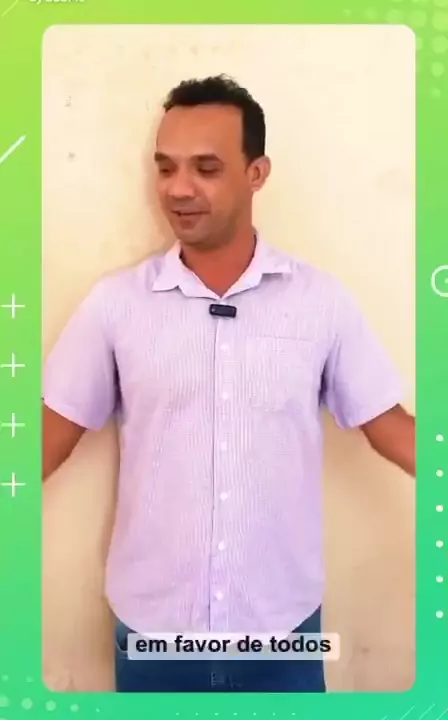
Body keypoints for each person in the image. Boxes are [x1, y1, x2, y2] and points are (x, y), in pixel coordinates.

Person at [42, 74, 415, 693]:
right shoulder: (115, 306)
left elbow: (390, 427)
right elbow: (44, 438)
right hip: (154, 633)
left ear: (256, 173)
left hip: (283, 631)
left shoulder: (321, 302)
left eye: (206, 168)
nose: (178, 188)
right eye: (166, 168)